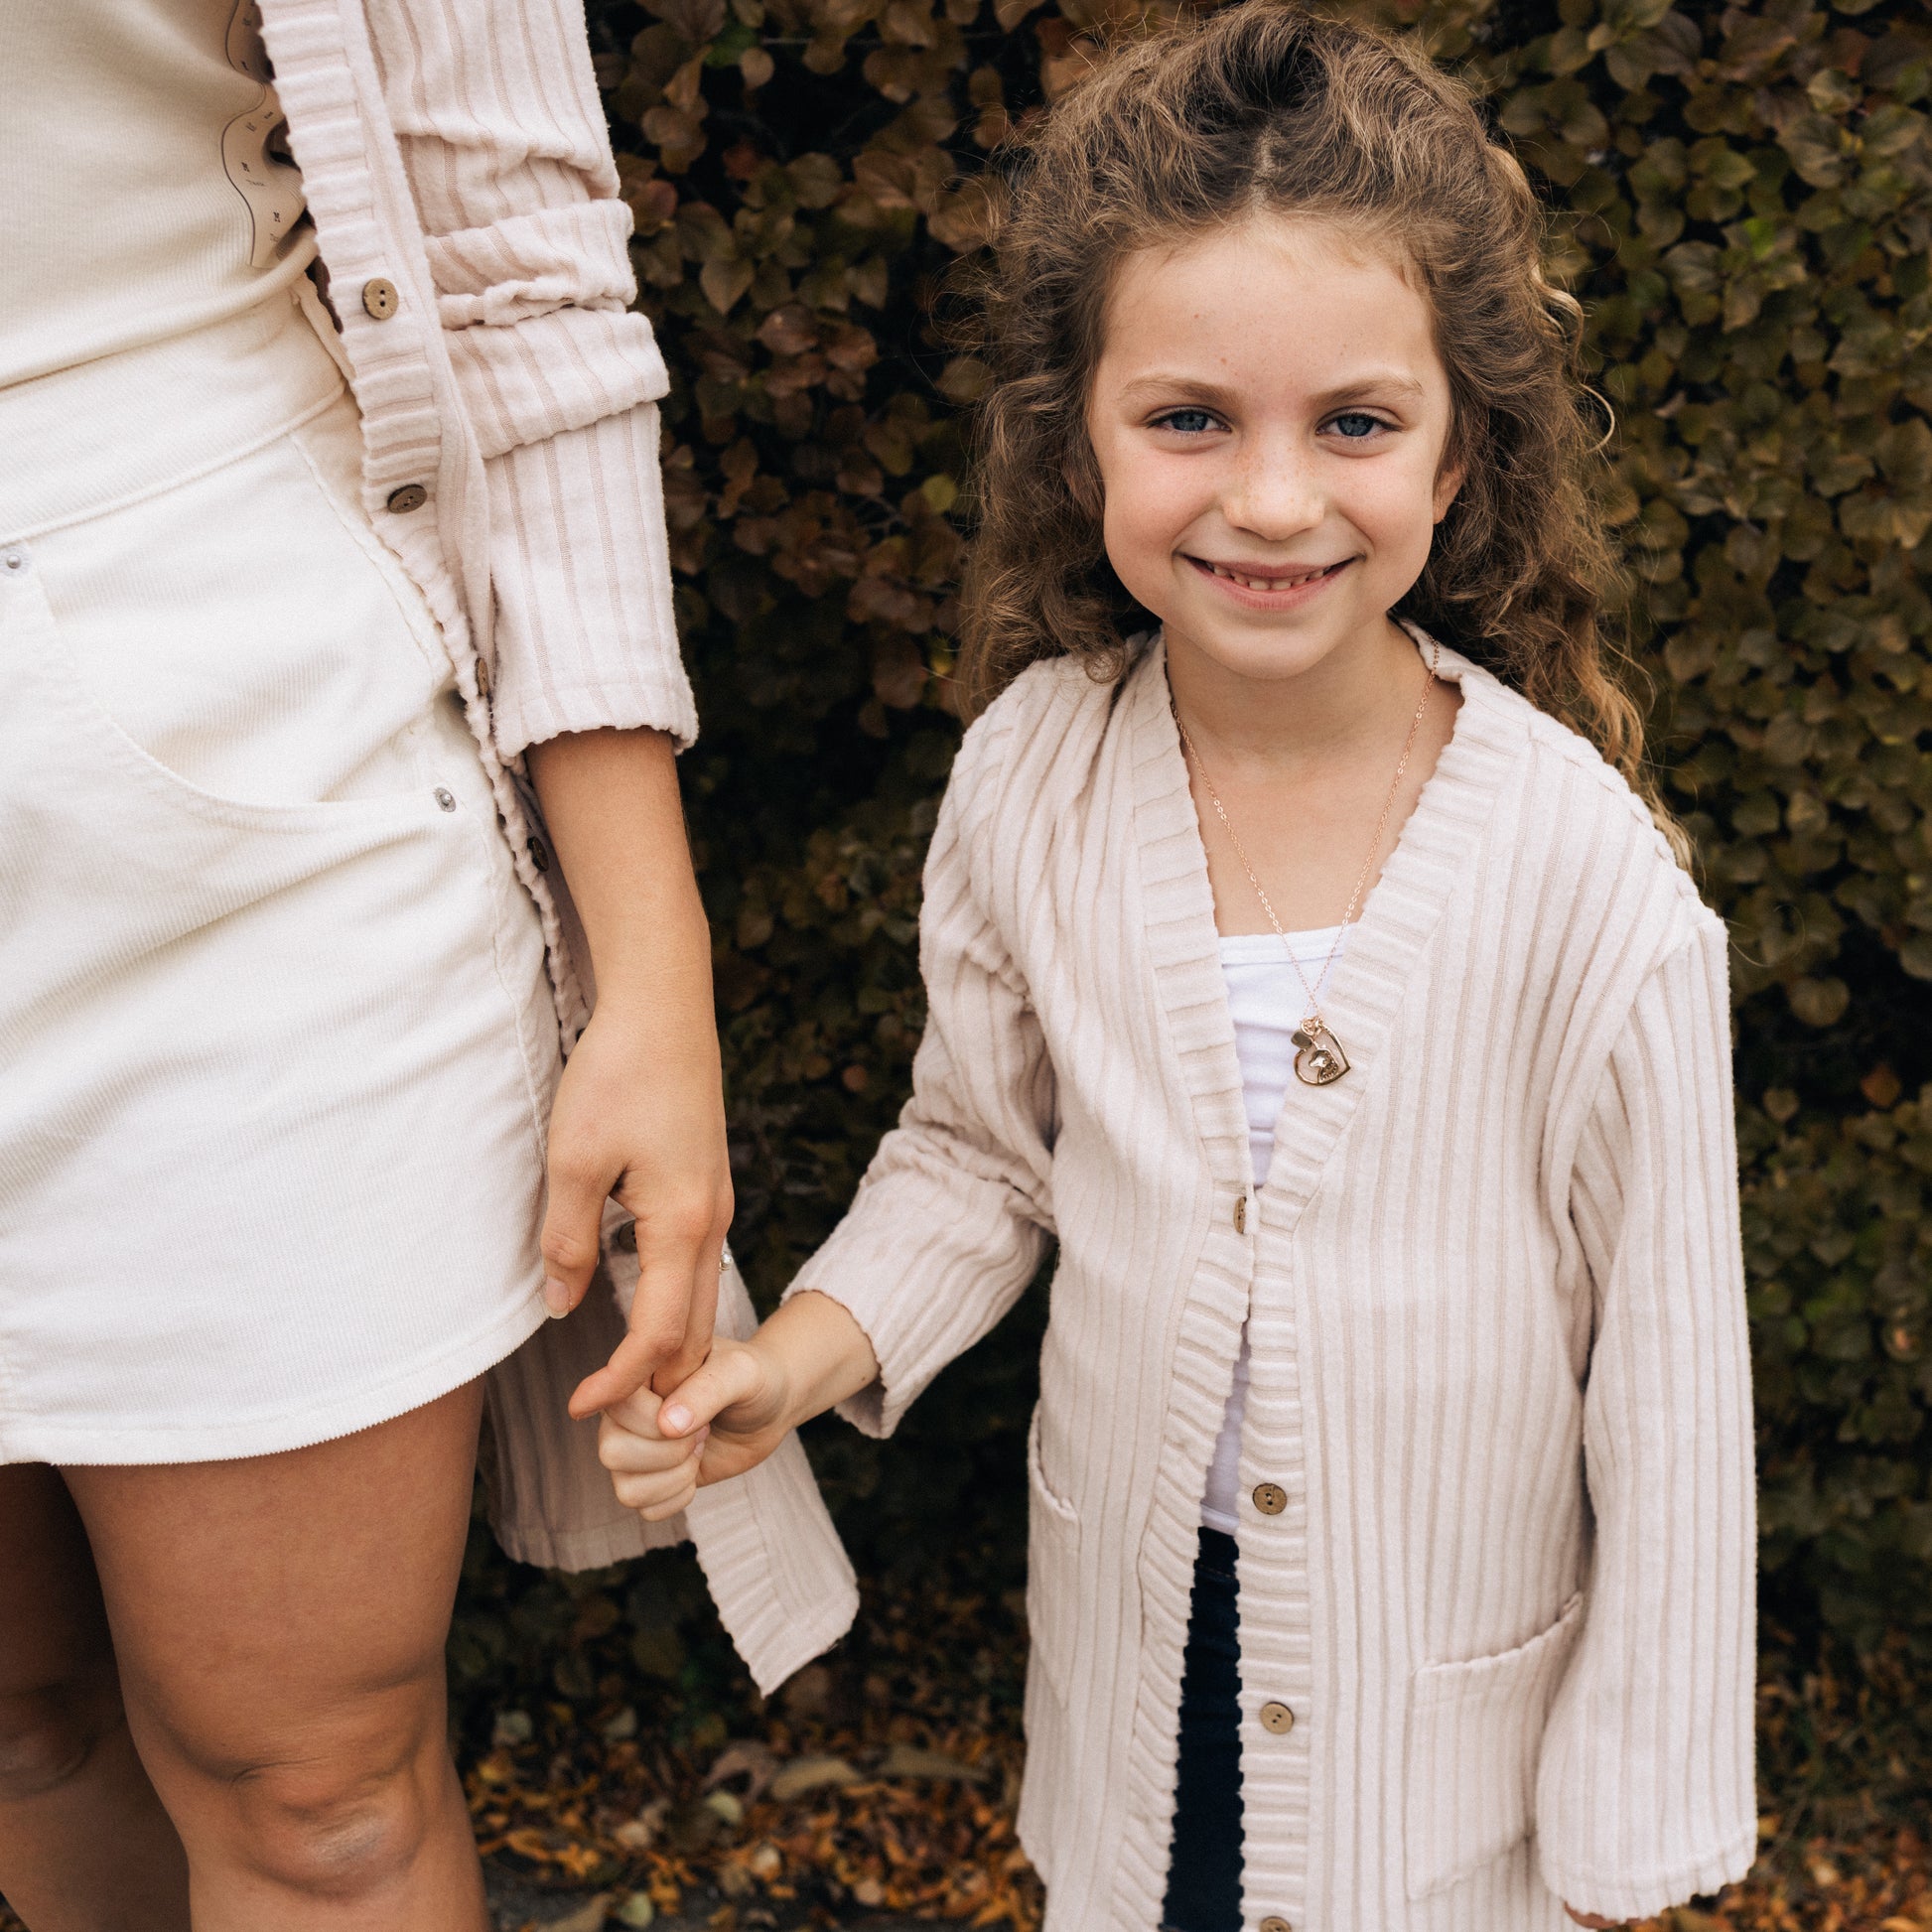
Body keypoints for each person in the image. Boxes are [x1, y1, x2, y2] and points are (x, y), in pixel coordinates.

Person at [597, 8, 1759, 1929]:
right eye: (1191, 416)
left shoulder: (1585, 885)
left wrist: (1626, 1836)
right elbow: (981, 1155)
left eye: (1355, 423)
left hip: (1444, 1732)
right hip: (1144, 1667)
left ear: (1462, 449)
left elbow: (1669, 1387)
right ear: (1080, 432)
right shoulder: (1032, 775)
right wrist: (789, 1361)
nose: (1275, 499)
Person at [0, 4, 851, 1928]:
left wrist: (653, 977)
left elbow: (516, 272)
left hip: (247, 771)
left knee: (318, 1795)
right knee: (21, 1723)